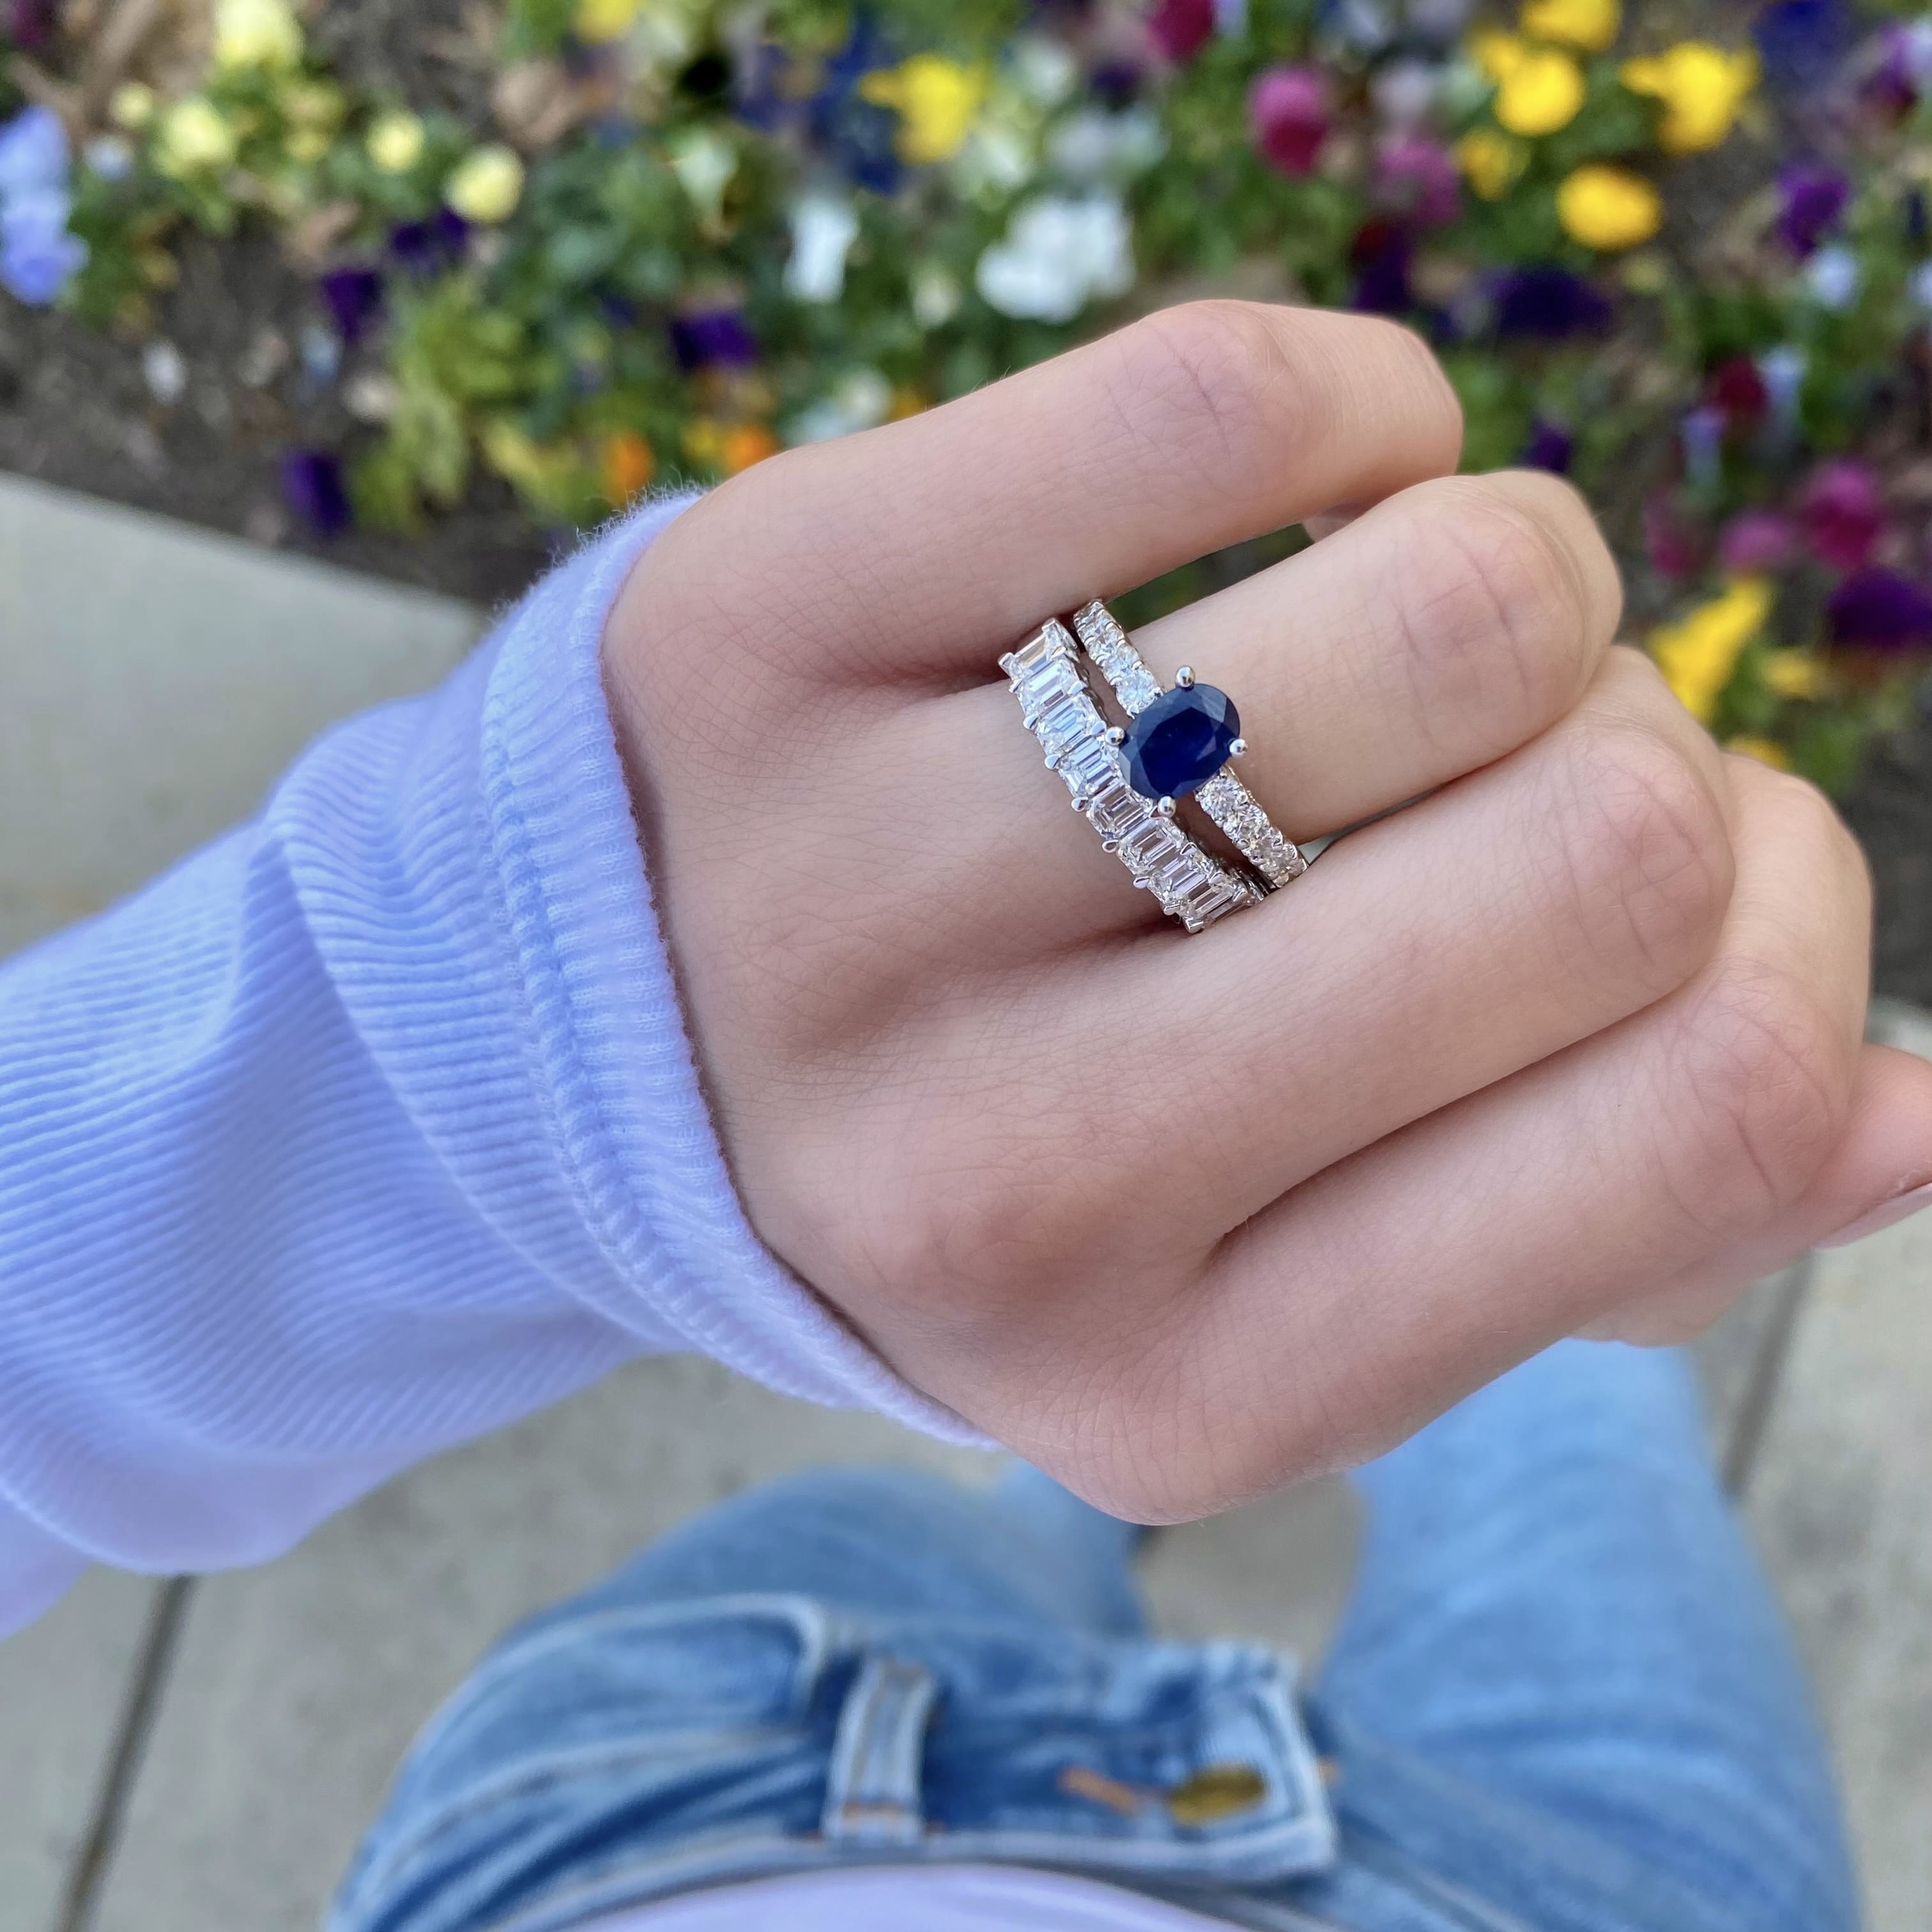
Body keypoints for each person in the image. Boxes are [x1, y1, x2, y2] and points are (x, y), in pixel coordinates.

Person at [1, 303, 1926, 1930]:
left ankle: (1076, 1480)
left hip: (663, 1792)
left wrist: (479, 1046)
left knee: (1005, 1489)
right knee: (1566, 1388)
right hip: (1601, 1891)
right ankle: (1169, 1394)